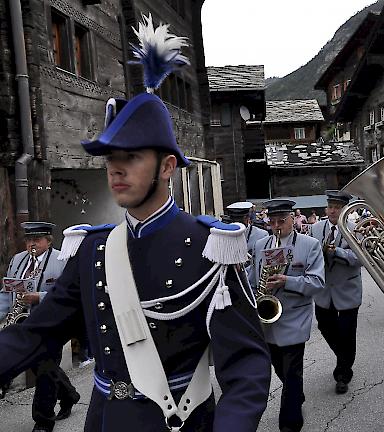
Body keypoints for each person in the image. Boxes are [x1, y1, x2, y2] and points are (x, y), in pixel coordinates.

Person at [0, 17, 271, 431]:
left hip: (178, 422)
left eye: (131, 158)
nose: (116, 170)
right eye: (111, 160)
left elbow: (247, 364)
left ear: (166, 167)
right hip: (105, 420)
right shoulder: (92, 249)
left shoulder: (211, 246)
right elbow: (37, 334)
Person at [248, 199, 325, 432]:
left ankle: (290, 425)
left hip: (294, 317)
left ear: (293, 218)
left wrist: (287, 281)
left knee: (291, 373)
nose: (277, 225)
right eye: (272, 221)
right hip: (268, 320)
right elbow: (253, 280)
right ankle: (296, 395)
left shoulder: (309, 244)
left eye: (282, 220)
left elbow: (318, 282)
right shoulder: (261, 244)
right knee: (282, 370)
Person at [0, 222, 81, 432]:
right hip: (26, 325)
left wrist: (39, 297)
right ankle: (69, 394)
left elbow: (70, 294)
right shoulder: (18, 260)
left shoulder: (62, 260)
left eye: (36, 240)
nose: (31, 244)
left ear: (48, 240)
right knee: (43, 365)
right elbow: (6, 292)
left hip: (53, 324)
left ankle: (43, 421)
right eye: (28, 240)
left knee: (45, 369)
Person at [309, 191, 363, 394]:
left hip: (347, 289)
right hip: (323, 292)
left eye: (337, 207)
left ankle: (342, 374)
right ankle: (344, 356)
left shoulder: (355, 229)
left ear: (345, 210)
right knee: (325, 326)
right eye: (330, 206)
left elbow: (361, 259)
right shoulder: (315, 228)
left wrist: (338, 252)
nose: (332, 210)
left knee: (348, 333)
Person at [225, 201, 268, 267]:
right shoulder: (224, 235)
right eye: (234, 220)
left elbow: (262, 263)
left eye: (240, 220)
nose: (238, 224)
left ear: (248, 218)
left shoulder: (262, 235)